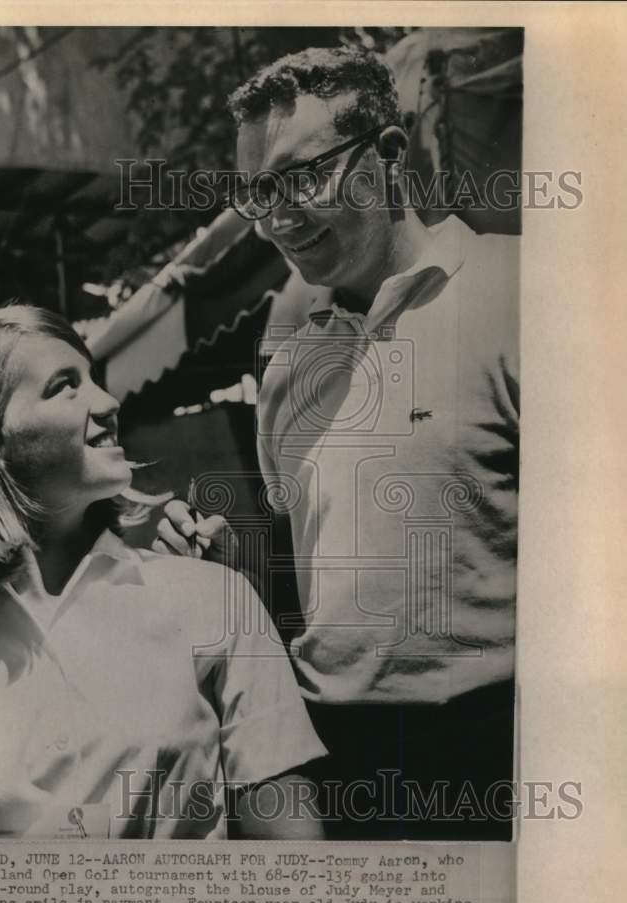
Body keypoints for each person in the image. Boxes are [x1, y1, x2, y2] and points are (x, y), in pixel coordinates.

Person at [155, 47, 519, 839]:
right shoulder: (290, 370)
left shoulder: (519, 293)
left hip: (496, 760)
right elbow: (305, 595)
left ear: (389, 155)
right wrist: (221, 569)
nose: (280, 218)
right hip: (333, 765)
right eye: (258, 193)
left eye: (302, 177)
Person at [0, 305, 327, 839]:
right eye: (65, 386)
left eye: (95, 380)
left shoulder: (215, 599)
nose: (108, 404)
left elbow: (294, 861)